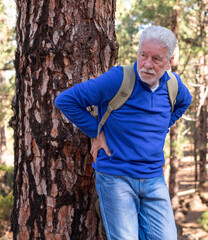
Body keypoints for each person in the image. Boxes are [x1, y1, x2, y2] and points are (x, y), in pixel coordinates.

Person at [55, 25, 192, 240]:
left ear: (169, 61)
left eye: (156, 59)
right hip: (116, 175)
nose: (146, 65)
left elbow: (185, 103)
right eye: (143, 55)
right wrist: (96, 132)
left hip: (153, 177)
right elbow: (65, 100)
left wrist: (163, 127)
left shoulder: (174, 85)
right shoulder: (118, 79)